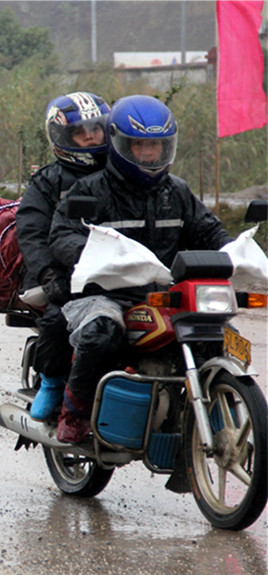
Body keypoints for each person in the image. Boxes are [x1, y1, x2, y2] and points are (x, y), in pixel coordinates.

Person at [49, 95, 231, 443]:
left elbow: (210, 230)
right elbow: (62, 235)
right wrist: (98, 260)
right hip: (107, 295)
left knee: (216, 333)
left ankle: (217, 409)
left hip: (164, 295)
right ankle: (74, 411)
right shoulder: (90, 190)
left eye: (156, 146)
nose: (149, 154)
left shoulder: (176, 192)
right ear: (119, 143)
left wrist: (234, 252)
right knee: (100, 333)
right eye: (140, 145)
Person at [16, 92, 111, 421]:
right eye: (79, 131)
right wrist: (46, 274)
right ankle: (53, 381)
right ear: (62, 136)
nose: (90, 136)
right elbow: (30, 233)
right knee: (59, 317)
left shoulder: (122, 174)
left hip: (116, 268)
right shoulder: (47, 182)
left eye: (96, 129)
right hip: (59, 271)